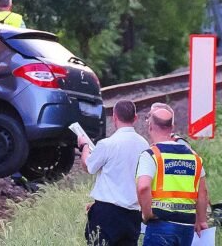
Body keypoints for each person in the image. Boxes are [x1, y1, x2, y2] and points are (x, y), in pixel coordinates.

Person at [78, 100, 149, 246]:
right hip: (132, 215)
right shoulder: (144, 145)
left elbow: (88, 166)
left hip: (107, 214)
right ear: (135, 118)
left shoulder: (107, 144)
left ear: (114, 117)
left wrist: (84, 146)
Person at [136, 106, 209, 246]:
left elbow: (143, 187)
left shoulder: (151, 155)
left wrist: (147, 213)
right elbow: (202, 192)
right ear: (172, 127)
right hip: (187, 226)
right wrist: (201, 220)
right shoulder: (194, 157)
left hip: (160, 224)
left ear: (150, 126)